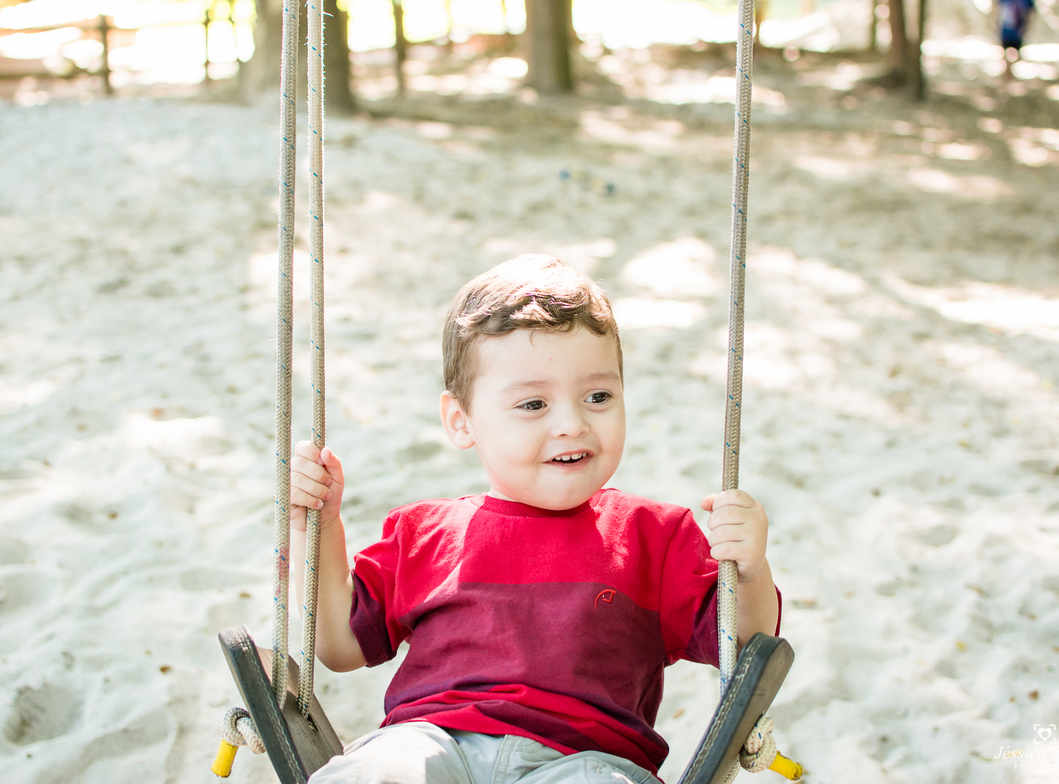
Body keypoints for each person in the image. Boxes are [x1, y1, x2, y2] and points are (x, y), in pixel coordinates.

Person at [287, 255, 782, 784]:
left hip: (584, 764)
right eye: (533, 404)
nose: (572, 423)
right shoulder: (423, 534)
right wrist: (317, 526)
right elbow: (339, 647)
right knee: (375, 771)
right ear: (462, 421)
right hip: (431, 743)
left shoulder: (655, 536)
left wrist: (751, 569)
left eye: (598, 396)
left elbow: (744, 653)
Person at [997, 0, 1035, 83]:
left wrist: (1027, 27)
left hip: (1018, 32)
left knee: (1016, 55)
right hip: (1006, 31)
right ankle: (1006, 76)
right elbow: (998, 11)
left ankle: (1009, 73)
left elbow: (1031, 13)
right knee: (1005, 54)